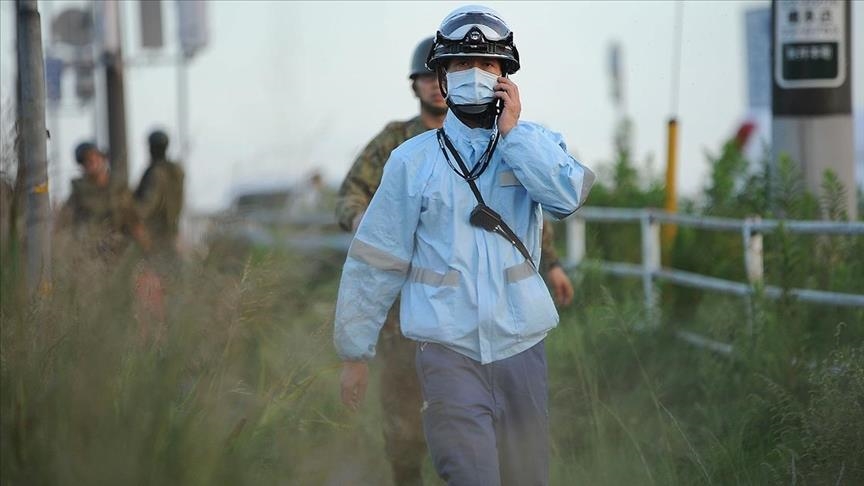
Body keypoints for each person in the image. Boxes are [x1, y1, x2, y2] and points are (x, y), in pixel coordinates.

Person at [334, 6, 595, 485]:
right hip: (447, 352)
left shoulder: (534, 144)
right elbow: (374, 260)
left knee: (527, 478)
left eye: (488, 64)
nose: (474, 73)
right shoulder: (410, 161)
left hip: (522, 349)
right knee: (470, 475)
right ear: (441, 75)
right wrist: (355, 351)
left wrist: (514, 134)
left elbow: (567, 198)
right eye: (460, 64)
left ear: (506, 77)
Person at [58, 142, 149, 260]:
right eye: (86, 161)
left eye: (94, 158)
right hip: (91, 253)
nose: (91, 164)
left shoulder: (118, 188)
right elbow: (63, 221)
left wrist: (147, 251)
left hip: (120, 250)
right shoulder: (79, 193)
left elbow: (134, 221)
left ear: (102, 158)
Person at [134, 129, 185, 261]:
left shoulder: (156, 173)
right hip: (171, 232)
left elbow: (147, 205)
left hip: (155, 235)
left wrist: (129, 213)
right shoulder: (175, 172)